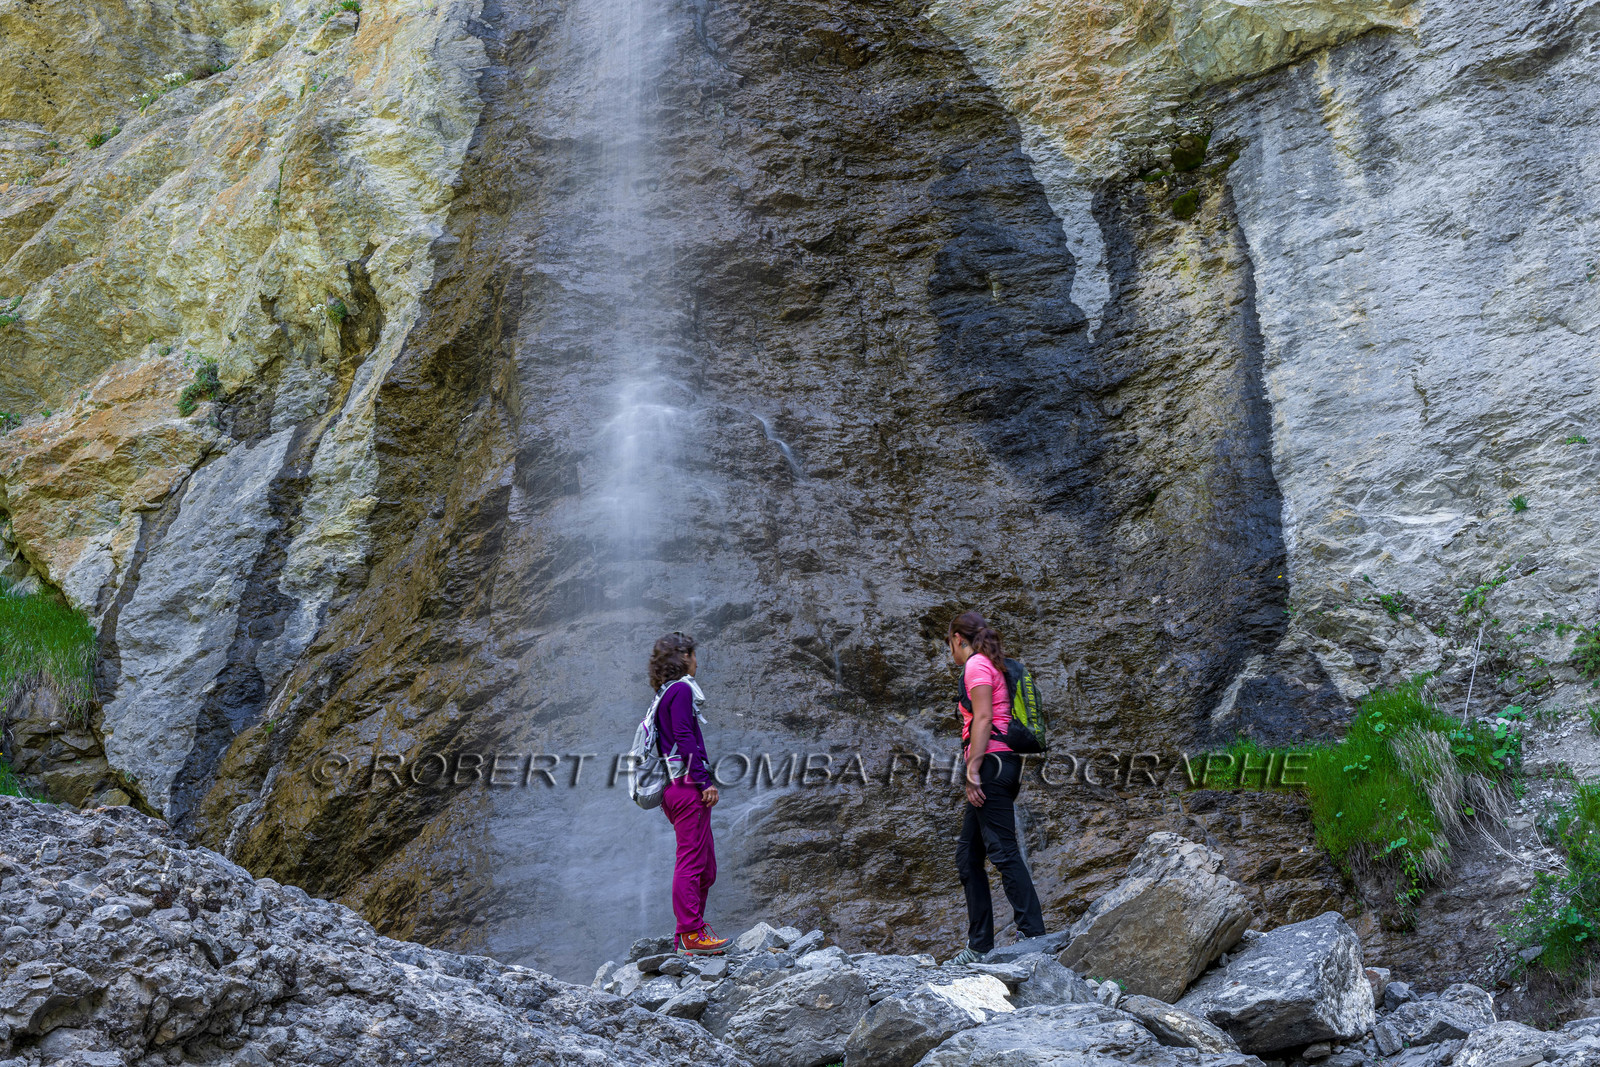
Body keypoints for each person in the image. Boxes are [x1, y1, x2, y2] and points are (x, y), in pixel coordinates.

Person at [946, 610, 1046, 964]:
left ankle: (1033, 933)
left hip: (991, 764)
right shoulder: (993, 664)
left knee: (1002, 851)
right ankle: (979, 945)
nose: (951, 654)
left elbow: (984, 717)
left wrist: (972, 770)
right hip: (1001, 763)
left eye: (949, 646)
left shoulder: (975, 665)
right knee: (968, 855)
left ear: (959, 638)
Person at [649, 631, 729, 955]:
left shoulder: (665, 693)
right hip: (685, 787)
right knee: (692, 862)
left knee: (706, 866)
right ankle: (690, 934)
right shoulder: (681, 689)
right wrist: (703, 780)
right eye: (693, 654)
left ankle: (692, 932)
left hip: (677, 788)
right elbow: (684, 736)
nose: (697, 661)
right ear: (683, 657)